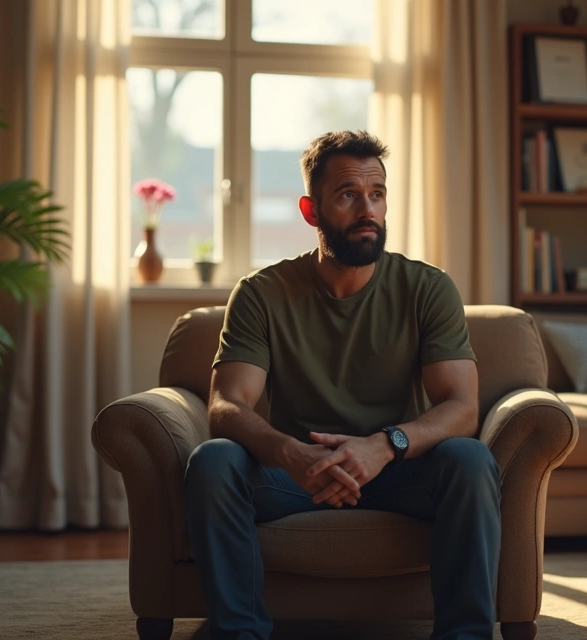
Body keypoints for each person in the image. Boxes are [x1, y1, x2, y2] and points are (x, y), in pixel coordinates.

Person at [184, 130, 500, 640]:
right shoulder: (262, 293)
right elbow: (226, 405)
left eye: (377, 194)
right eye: (349, 194)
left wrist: (386, 444)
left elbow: (462, 407)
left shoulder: (428, 288)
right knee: (213, 461)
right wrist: (290, 454)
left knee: (470, 460)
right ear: (312, 211)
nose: (367, 210)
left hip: (399, 471)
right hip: (295, 477)